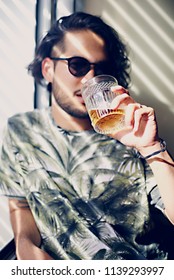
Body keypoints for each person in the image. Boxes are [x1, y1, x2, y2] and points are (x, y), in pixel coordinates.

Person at [0, 12, 174, 260]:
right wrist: (25, 244)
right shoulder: (21, 129)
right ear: (48, 69)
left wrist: (151, 147)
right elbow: (21, 203)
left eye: (101, 68)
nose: (90, 79)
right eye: (78, 65)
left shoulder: (131, 129)